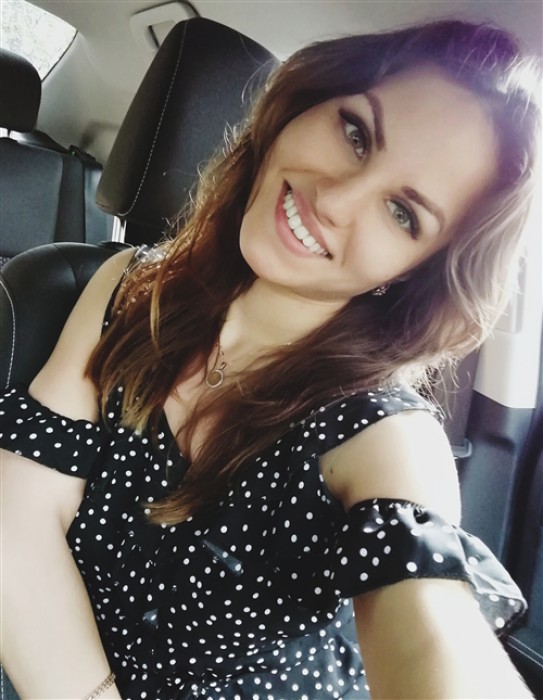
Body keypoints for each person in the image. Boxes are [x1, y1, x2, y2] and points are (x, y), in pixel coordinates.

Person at [1, 18, 540, 700]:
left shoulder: (385, 437)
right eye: (356, 133)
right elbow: (19, 507)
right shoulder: (126, 290)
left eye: (403, 214)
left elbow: (433, 630)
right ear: (304, 104)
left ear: (414, 272)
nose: (335, 199)